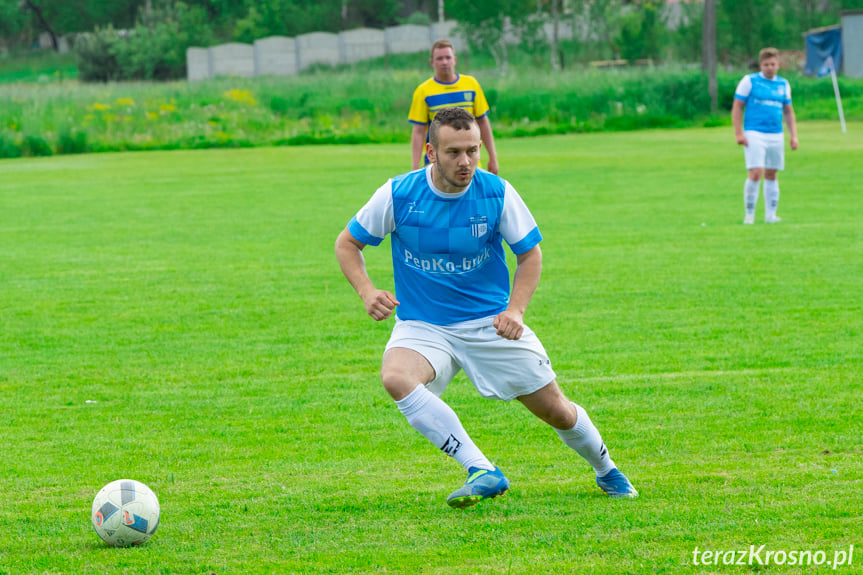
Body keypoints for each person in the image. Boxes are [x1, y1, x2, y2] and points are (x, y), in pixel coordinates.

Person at [335, 107, 637, 508]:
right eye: (454, 152)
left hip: (489, 324)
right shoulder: (398, 193)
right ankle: (480, 469)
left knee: (557, 412)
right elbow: (347, 243)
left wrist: (515, 312)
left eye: (473, 151)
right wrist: (367, 291)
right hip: (424, 324)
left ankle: (606, 469)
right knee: (396, 377)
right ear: (431, 152)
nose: (466, 162)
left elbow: (530, 255)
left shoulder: (497, 192)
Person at [409, 39, 500, 175]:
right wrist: (415, 166)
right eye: (440, 58)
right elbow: (418, 131)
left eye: (448, 57)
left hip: (469, 162)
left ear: (455, 60)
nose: (444, 62)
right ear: (432, 62)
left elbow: (483, 122)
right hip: (437, 164)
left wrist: (493, 157)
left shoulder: (471, 85)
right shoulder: (423, 91)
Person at [732, 47, 799, 225]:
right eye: (766, 64)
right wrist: (738, 132)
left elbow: (789, 112)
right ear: (760, 65)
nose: (769, 67)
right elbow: (737, 106)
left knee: (772, 173)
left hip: (775, 133)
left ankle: (771, 215)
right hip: (754, 131)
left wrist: (793, 136)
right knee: (756, 172)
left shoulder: (783, 84)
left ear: (778, 65)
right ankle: (749, 215)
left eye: (773, 64)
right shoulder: (749, 81)